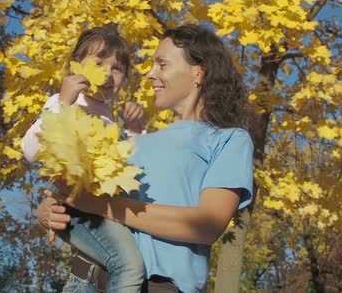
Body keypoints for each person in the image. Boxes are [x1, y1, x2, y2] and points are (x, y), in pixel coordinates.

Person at [39, 24, 254, 293]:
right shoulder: (129, 141)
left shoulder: (228, 140)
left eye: (161, 64)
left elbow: (207, 225)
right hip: (83, 283)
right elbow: (78, 192)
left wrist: (101, 206)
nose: (150, 75)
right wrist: (50, 209)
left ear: (198, 71)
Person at [22, 24, 146, 292]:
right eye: (98, 63)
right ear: (75, 65)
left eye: (117, 68)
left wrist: (134, 131)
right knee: (129, 266)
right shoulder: (63, 100)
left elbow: (127, 172)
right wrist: (63, 103)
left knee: (105, 267)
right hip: (70, 198)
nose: (107, 74)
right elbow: (30, 151)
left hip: (98, 204)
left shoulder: (111, 117)